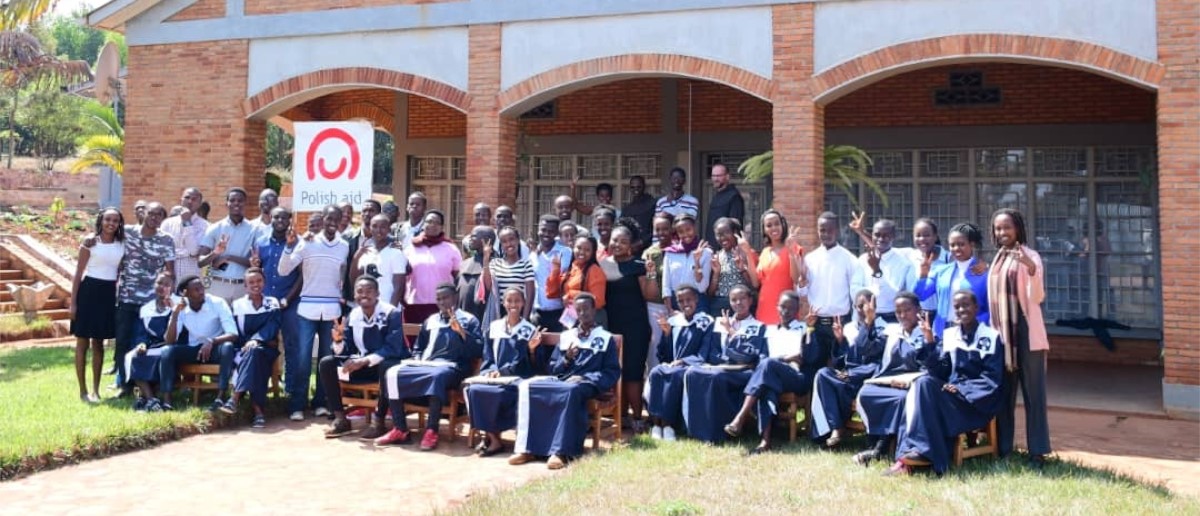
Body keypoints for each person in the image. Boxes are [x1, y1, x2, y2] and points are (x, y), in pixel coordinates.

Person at [887, 289, 1005, 476]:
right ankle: (911, 456)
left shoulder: (990, 337)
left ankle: (917, 456)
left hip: (975, 403)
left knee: (924, 392)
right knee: (922, 383)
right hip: (951, 398)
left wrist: (961, 389)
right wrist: (930, 342)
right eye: (957, 307)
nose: (961, 310)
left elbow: (992, 379)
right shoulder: (950, 335)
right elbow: (940, 371)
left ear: (976, 308)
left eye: (966, 305)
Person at [508, 293, 620, 470]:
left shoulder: (605, 338)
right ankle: (528, 448)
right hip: (563, 381)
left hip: (586, 383)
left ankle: (561, 452)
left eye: (586, 309)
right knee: (530, 386)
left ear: (594, 310)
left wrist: (586, 378)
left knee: (571, 391)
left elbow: (612, 372)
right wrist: (566, 359)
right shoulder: (568, 336)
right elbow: (553, 368)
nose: (582, 313)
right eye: (579, 310)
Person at [376, 284, 483, 451]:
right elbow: (419, 347)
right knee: (392, 373)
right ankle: (400, 428)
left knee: (437, 376)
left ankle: (432, 430)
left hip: (454, 367)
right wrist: (416, 360)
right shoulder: (431, 320)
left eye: (445, 298)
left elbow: (477, 350)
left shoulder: (469, 320)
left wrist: (461, 332)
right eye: (438, 299)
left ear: (455, 297)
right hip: (426, 365)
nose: (442, 302)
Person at [988, 208, 1051, 468]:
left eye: (1007, 227)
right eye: (998, 228)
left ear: (1018, 229)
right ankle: (1004, 448)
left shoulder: (1030, 255)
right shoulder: (997, 259)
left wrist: (1031, 268)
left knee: (1033, 394)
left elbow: (1037, 297)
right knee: (1005, 394)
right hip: (1003, 335)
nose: (1002, 232)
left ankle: (1037, 451)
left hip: (1026, 331)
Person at [277, 204, 349, 421]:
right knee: (303, 359)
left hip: (332, 311)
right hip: (307, 309)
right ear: (323, 219)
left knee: (326, 360)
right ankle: (297, 405)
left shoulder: (344, 246)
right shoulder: (307, 242)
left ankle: (320, 403)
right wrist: (289, 246)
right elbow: (283, 270)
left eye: (336, 219)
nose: (332, 223)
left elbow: (342, 275)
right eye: (329, 218)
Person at [722, 291, 816, 453]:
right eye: (782, 307)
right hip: (772, 375)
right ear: (777, 307)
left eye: (791, 308)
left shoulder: (803, 327)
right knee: (766, 382)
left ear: (797, 310)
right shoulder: (769, 330)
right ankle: (765, 442)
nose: (785, 311)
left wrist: (810, 329)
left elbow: (809, 357)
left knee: (768, 367)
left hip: (796, 377)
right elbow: (762, 357)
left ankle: (741, 417)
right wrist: (786, 358)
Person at [320, 275, 410, 440]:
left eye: (369, 291)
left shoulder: (391, 313)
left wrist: (365, 360)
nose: (364, 295)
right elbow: (347, 349)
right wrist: (338, 341)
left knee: (386, 367)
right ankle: (340, 419)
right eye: (359, 291)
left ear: (377, 294)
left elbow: (393, 348)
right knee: (327, 363)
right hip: (362, 366)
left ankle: (379, 422)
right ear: (354, 295)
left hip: (386, 365)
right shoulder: (353, 315)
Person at [852, 291, 937, 466]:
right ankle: (874, 442)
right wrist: (869, 321)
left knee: (901, 400)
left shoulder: (928, 332)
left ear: (918, 310)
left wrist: (929, 341)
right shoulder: (891, 332)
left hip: (913, 385)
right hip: (888, 381)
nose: (902, 315)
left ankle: (881, 449)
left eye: (907, 310)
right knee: (867, 393)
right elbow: (864, 349)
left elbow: (932, 368)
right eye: (898, 311)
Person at [681, 285, 767, 443]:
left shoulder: (758, 326)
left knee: (716, 377)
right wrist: (721, 360)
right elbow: (711, 351)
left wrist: (732, 333)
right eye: (734, 300)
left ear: (750, 300)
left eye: (742, 299)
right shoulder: (719, 322)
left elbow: (750, 355)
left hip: (744, 371)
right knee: (693, 372)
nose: (738, 303)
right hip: (721, 367)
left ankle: (718, 432)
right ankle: (696, 431)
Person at [464, 288, 544, 457]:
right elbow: (487, 355)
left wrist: (531, 350)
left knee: (501, 393)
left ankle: (492, 438)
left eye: (517, 301)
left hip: (518, 378)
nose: (513, 304)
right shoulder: (494, 327)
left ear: (523, 303)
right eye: (509, 301)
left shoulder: (529, 330)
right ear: (503, 303)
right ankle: (492, 437)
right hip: (495, 376)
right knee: (474, 390)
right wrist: (491, 370)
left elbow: (531, 364)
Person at [109, 202, 175, 392]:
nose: (154, 217)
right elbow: (104, 238)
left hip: (151, 302)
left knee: (147, 342)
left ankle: (148, 382)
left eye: (159, 215)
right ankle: (124, 384)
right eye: (151, 213)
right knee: (122, 341)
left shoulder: (166, 240)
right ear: (143, 213)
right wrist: (89, 241)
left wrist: (168, 295)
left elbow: (170, 271)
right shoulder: (127, 233)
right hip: (127, 297)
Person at [810, 290, 887, 447]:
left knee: (838, 381)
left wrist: (852, 374)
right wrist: (840, 341)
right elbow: (842, 361)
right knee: (823, 374)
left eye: (865, 306)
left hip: (868, 379)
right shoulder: (850, 328)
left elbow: (877, 361)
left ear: (874, 306)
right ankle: (835, 428)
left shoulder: (884, 328)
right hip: (847, 378)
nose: (861, 310)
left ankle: (839, 428)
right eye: (858, 306)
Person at [600, 220, 657, 429]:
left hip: (635, 327)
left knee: (633, 372)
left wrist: (651, 274)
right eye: (615, 240)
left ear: (631, 245)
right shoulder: (602, 264)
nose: (618, 244)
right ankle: (620, 416)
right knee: (617, 371)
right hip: (611, 326)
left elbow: (650, 295)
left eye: (623, 242)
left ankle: (637, 418)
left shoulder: (639, 266)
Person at [798, 212, 865, 379]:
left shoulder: (849, 259)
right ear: (817, 231)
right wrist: (802, 282)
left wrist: (854, 323)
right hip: (816, 324)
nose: (826, 234)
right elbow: (802, 292)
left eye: (830, 230)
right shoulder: (810, 259)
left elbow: (855, 294)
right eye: (822, 230)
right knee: (813, 368)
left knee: (841, 369)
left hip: (840, 323)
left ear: (838, 230)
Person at [158, 275, 238, 410]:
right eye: (196, 289)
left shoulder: (217, 302)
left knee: (228, 347)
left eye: (201, 288)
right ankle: (167, 402)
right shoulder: (181, 307)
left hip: (215, 349)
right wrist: (175, 314)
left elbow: (233, 333)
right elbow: (169, 341)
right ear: (185, 293)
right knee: (166, 351)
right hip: (194, 350)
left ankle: (220, 398)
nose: (201, 292)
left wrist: (212, 341)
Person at [71, 208, 125, 403]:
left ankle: (96, 390)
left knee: (99, 343)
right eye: (108, 219)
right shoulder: (90, 242)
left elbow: (120, 271)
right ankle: (83, 391)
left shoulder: (122, 245)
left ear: (119, 223)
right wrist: (73, 303)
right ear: (101, 221)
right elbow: (78, 274)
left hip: (108, 294)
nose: (111, 223)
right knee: (82, 342)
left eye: (115, 220)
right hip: (88, 292)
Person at [645, 285, 713, 441]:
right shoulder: (674, 322)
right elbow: (665, 356)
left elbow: (704, 354)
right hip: (673, 366)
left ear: (697, 300)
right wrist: (667, 334)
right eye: (681, 301)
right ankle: (656, 425)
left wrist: (683, 361)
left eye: (689, 300)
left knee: (673, 374)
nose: (685, 304)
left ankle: (667, 425)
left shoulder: (706, 322)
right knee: (656, 372)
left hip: (693, 367)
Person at [249, 207, 302, 393]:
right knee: (264, 345)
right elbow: (257, 271)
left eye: (284, 217)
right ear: (270, 218)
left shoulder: (297, 243)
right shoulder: (261, 242)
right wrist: (254, 266)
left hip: (290, 303)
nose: (280, 220)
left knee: (291, 346)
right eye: (276, 217)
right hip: (267, 305)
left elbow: (302, 276)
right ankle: (262, 388)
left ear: (290, 220)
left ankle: (290, 389)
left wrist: (287, 299)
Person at [226, 268, 281, 426]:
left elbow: (273, 326)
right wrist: (251, 343)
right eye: (251, 282)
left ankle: (235, 398)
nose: (255, 284)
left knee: (255, 352)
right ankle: (258, 412)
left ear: (264, 282)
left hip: (267, 349)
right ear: (245, 285)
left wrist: (256, 340)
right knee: (254, 356)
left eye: (259, 281)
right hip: (243, 349)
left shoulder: (272, 303)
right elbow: (235, 332)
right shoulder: (238, 305)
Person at [913, 222, 990, 335]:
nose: (956, 248)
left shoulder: (983, 273)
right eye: (952, 245)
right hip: (943, 333)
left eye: (961, 244)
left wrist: (979, 325)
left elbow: (990, 308)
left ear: (972, 244)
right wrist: (923, 275)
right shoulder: (941, 271)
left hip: (974, 332)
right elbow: (920, 295)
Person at [849, 216, 918, 323]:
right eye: (877, 235)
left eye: (886, 236)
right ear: (872, 235)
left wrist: (877, 271)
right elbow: (854, 290)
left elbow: (893, 296)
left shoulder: (903, 261)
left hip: (892, 319)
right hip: (865, 317)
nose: (881, 239)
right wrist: (870, 295)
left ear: (893, 236)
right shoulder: (863, 259)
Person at [124, 272, 176, 412]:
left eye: (166, 284)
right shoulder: (146, 309)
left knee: (164, 357)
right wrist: (141, 343)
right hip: (152, 346)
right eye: (159, 283)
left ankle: (147, 398)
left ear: (172, 287)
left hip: (171, 345)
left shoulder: (178, 305)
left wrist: (174, 310)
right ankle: (151, 399)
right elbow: (141, 332)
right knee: (133, 356)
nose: (162, 287)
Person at [403, 210, 462, 324]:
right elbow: (402, 277)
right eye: (429, 221)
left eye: (437, 223)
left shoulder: (451, 249)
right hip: (415, 305)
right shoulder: (410, 249)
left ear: (442, 227)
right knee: (414, 335)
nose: (432, 225)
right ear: (423, 224)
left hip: (442, 305)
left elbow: (458, 277)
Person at [199, 188, 257, 303]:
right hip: (218, 285)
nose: (236, 203)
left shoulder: (254, 229)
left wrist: (229, 257)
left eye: (240, 200)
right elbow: (201, 262)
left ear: (245, 203)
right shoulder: (215, 228)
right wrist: (216, 253)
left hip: (242, 287)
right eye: (232, 200)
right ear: (227, 204)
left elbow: (255, 262)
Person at [753, 210, 806, 325]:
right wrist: (747, 254)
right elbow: (756, 283)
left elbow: (796, 279)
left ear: (783, 225)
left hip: (785, 308)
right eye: (769, 225)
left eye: (777, 223)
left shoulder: (794, 248)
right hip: (764, 308)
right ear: (764, 230)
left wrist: (791, 253)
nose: (773, 228)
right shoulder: (765, 252)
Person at [546, 235, 607, 327]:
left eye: (587, 250)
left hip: (591, 321)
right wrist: (555, 269)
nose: (582, 252)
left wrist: (571, 295)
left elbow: (598, 301)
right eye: (579, 248)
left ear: (593, 252)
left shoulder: (594, 270)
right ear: (573, 248)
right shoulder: (572, 267)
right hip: (571, 318)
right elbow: (552, 293)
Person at [641, 212, 674, 375]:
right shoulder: (649, 253)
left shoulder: (679, 249)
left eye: (665, 229)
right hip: (656, 306)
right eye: (658, 229)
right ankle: (654, 381)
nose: (661, 233)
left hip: (677, 306)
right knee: (655, 347)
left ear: (672, 229)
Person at [351, 212, 406, 307]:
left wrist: (390, 309)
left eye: (383, 227)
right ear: (370, 228)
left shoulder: (396, 253)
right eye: (375, 226)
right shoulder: (365, 252)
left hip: (387, 306)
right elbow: (354, 281)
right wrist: (356, 257)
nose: (378, 230)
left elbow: (399, 287)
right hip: (367, 307)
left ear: (389, 229)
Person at [707, 217, 757, 317]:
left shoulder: (746, 253)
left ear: (734, 232)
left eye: (726, 233)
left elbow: (754, 286)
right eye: (718, 234)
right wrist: (716, 273)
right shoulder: (716, 256)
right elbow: (710, 293)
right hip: (720, 305)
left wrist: (742, 269)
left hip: (741, 305)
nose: (722, 237)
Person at [661, 214, 712, 313]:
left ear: (695, 228)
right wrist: (669, 309)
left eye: (688, 229)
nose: (685, 234)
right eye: (681, 232)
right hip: (676, 302)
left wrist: (697, 262)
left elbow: (702, 287)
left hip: (698, 302)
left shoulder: (706, 252)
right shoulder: (670, 252)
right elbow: (666, 284)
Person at [483, 226, 535, 321]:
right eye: (504, 241)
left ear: (518, 240)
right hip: (500, 313)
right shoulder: (495, 263)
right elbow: (488, 286)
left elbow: (530, 295)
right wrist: (486, 260)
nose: (508, 244)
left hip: (519, 312)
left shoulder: (526, 264)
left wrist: (525, 319)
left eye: (511, 239)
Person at [530, 215, 571, 332]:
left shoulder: (565, 252)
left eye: (551, 231)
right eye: (543, 230)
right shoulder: (533, 255)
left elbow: (564, 277)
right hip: (537, 312)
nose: (546, 234)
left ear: (556, 233)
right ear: (538, 230)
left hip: (559, 312)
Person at [159, 187, 208, 280]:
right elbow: (162, 250)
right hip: (170, 273)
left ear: (199, 204)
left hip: (193, 274)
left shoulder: (206, 226)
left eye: (194, 199)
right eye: (187, 197)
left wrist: (187, 223)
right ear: (181, 200)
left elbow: (193, 251)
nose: (190, 201)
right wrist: (184, 253)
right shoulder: (167, 223)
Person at [343, 200, 382, 310]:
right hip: (352, 302)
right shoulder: (347, 238)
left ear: (379, 214)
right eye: (364, 211)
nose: (367, 214)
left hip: (380, 300)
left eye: (371, 210)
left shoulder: (389, 240)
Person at [458, 226, 495, 321]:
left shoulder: (496, 264)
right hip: (464, 318)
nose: (470, 238)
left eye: (474, 236)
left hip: (485, 318)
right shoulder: (465, 263)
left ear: (486, 240)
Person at [704, 164, 744, 247]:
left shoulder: (734, 196)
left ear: (727, 177)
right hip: (712, 245)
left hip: (726, 247)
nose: (715, 179)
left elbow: (735, 224)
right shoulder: (716, 195)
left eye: (718, 176)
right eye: (713, 176)